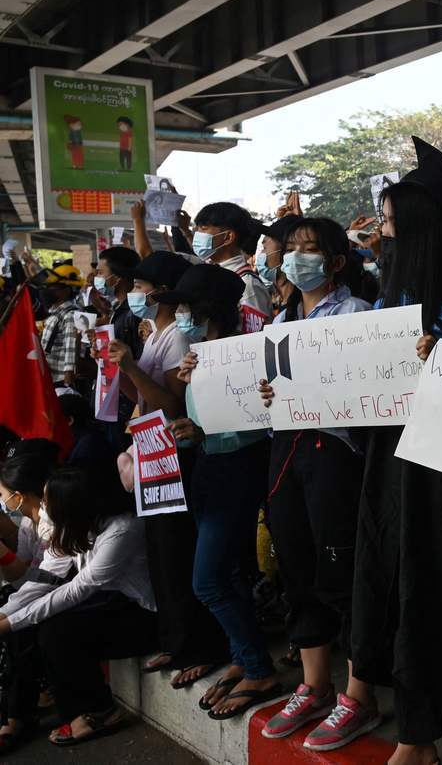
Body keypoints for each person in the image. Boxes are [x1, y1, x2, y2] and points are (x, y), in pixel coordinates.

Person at [353, 137, 442, 765]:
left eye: (389, 222)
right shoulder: (392, 292)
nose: (382, 233)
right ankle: (415, 735)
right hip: (394, 470)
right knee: (398, 592)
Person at [258, 217, 380, 753]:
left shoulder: (357, 315)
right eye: (291, 249)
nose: (296, 258)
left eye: (310, 250)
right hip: (288, 449)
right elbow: (269, 389)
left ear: (335, 262)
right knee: (295, 562)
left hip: (335, 452)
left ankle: (359, 695)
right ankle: (314, 685)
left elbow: (373, 388)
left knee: (343, 570)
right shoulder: (280, 318)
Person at [162, 264, 282, 720]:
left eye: (187, 306)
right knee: (226, 572)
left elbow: (254, 423)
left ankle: (258, 668)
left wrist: (205, 424)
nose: (180, 314)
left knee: (207, 580)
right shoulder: (200, 357)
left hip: (236, 468)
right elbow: (205, 424)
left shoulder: (244, 356)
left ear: (208, 308)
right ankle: (241, 656)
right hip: (209, 465)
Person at [109, 251, 228, 691]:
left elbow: (169, 403)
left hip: (174, 454)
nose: (133, 294)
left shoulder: (178, 337)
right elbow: (140, 394)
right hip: (152, 451)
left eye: (140, 288)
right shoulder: (155, 334)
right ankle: (175, 640)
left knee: (179, 553)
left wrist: (131, 368)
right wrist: (120, 369)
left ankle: (199, 645)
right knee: (161, 553)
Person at [0, 467, 156, 749]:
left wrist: (9, 622)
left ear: (71, 505)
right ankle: (30, 713)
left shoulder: (121, 531)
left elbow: (75, 590)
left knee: (56, 630)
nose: (44, 506)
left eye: (49, 500)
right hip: (110, 605)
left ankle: (101, 711)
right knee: (32, 623)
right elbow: (45, 578)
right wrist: (5, 615)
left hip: (145, 618)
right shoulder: (74, 528)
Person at [0, 450, 59, 754]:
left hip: (57, 594)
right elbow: (25, 575)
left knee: (17, 630)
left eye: (3, 494)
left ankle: (16, 716)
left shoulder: (52, 522)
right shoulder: (28, 523)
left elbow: (41, 583)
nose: (3, 500)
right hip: (35, 590)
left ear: (20, 496)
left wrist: (4, 616)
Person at [192, 202, 271, 335]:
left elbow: (255, 339)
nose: (197, 235)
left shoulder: (247, 285)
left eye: (204, 229)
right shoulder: (211, 275)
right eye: (197, 229)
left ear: (228, 237)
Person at [38, 265, 84, 388]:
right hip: (49, 378)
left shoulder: (70, 315)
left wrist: (68, 384)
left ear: (66, 290)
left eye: (52, 288)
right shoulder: (55, 313)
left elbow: (72, 349)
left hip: (60, 382)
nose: (47, 291)